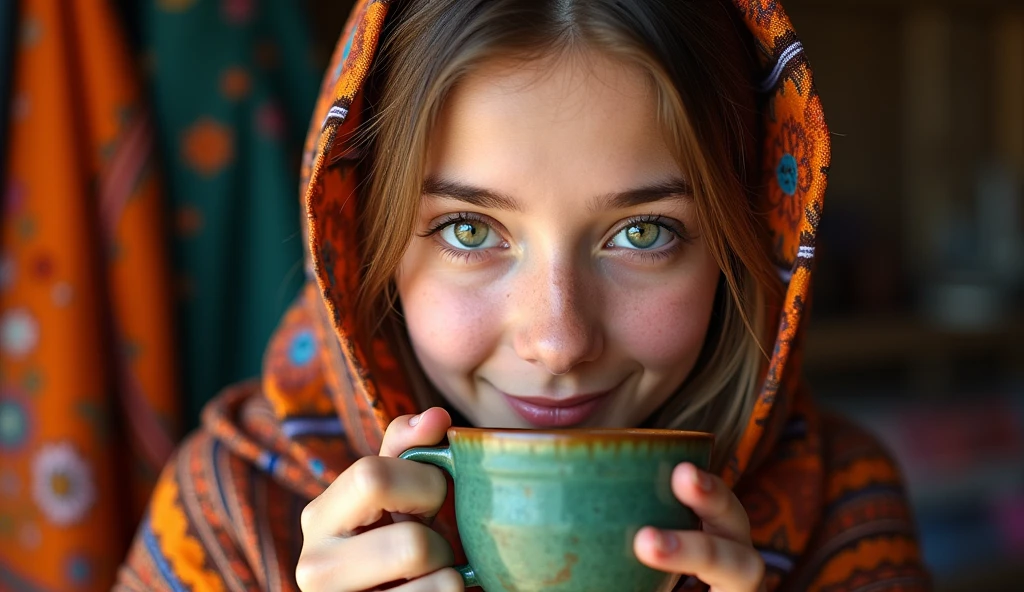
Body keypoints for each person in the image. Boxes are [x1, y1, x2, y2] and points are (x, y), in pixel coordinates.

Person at [116, 0, 931, 590]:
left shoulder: (838, 512)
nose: (559, 338)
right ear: (361, 238)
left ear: (746, 241)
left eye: (643, 232)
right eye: (470, 230)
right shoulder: (227, 515)